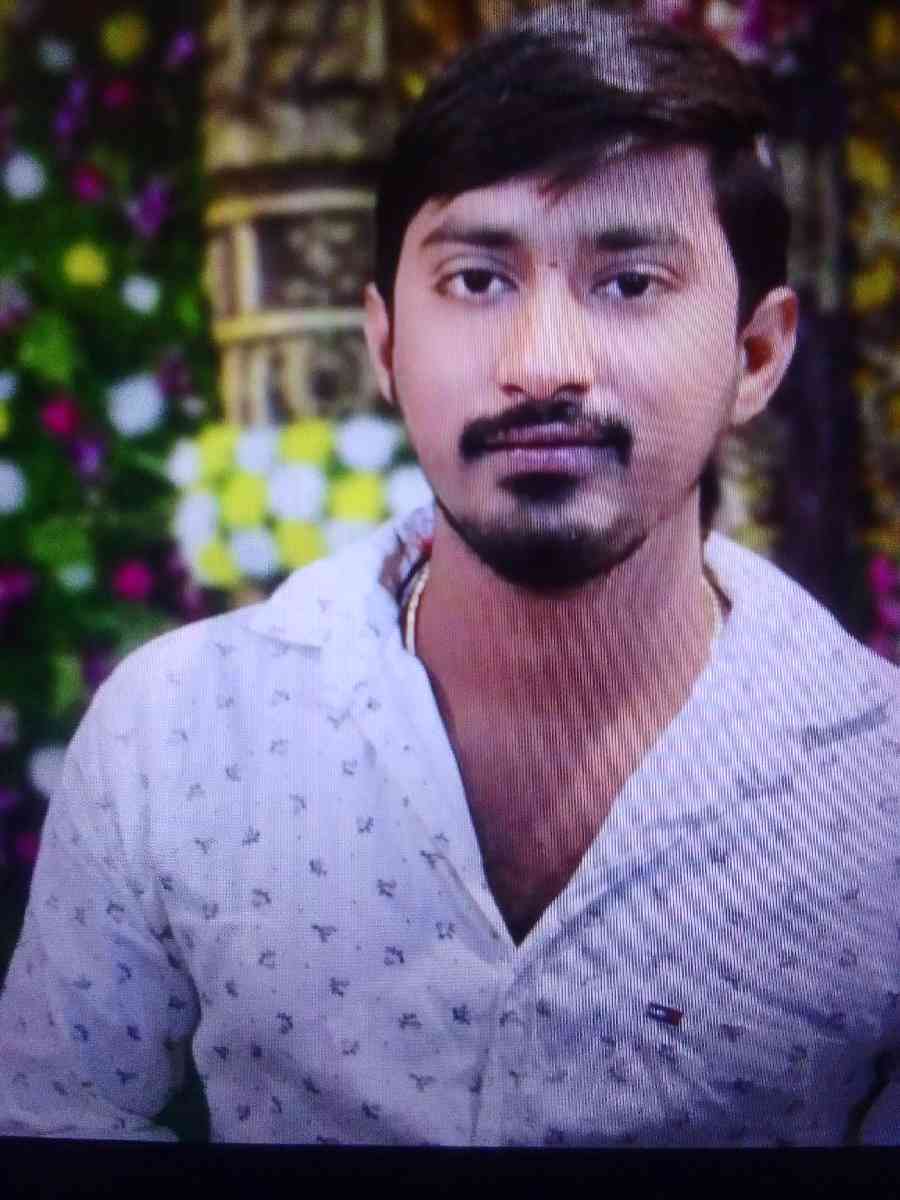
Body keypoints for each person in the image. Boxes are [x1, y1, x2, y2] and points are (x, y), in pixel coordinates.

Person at [1, 3, 898, 1148]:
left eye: (631, 282)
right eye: (477, 280)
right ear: (384, 344)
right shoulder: (175, 731)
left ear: (756, 354)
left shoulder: (879, 795)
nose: (542, 367)